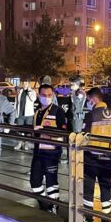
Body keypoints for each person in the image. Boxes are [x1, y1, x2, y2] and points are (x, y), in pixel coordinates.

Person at [81, 87, 111, 222]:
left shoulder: (91, 115)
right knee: (106, 186)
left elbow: (84, 137)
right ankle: (106, 220)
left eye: (89, 100)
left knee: (88, 188)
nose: (88, 103)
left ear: (94, 99)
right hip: (108, 157)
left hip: (91, 157)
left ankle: (88, 218)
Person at [30, 84, 68, 213]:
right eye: (43, 95)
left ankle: (54, 205)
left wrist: (44, 130)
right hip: (38, 151)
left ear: (53, 95)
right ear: (39, 95)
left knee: (52, 181)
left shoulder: (58, 111)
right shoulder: (38, 111)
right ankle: (43, 203)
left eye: (49, 95)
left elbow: (63, 132)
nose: (46, 97)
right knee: (35, 181)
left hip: (52, 151)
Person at [14, 82, 37, 150]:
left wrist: (29, 91)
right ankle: (19, 143)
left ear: (29, 85)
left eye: (26, 84)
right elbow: (16, 102)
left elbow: (33, 99)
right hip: (20, 114)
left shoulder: (32, 91)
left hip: (28, 114)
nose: (24, 85)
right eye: (23, 84)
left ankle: (26, 144)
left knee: (27, 130)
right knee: (19, 130)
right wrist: (15, 112)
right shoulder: (20, 91)